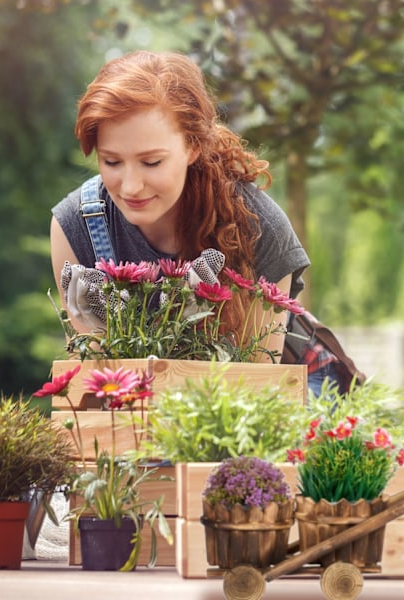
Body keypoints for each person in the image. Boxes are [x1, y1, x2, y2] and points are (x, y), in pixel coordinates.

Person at [50, 50, 346, 392]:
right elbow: (102, 390)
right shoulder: (78, 227)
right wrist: (102, 342)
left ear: (192, 146)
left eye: (151, 163)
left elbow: (258, 395)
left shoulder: (260, 226)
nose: (130, 186)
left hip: (300, 388)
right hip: (157, 405)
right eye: (112, 162)